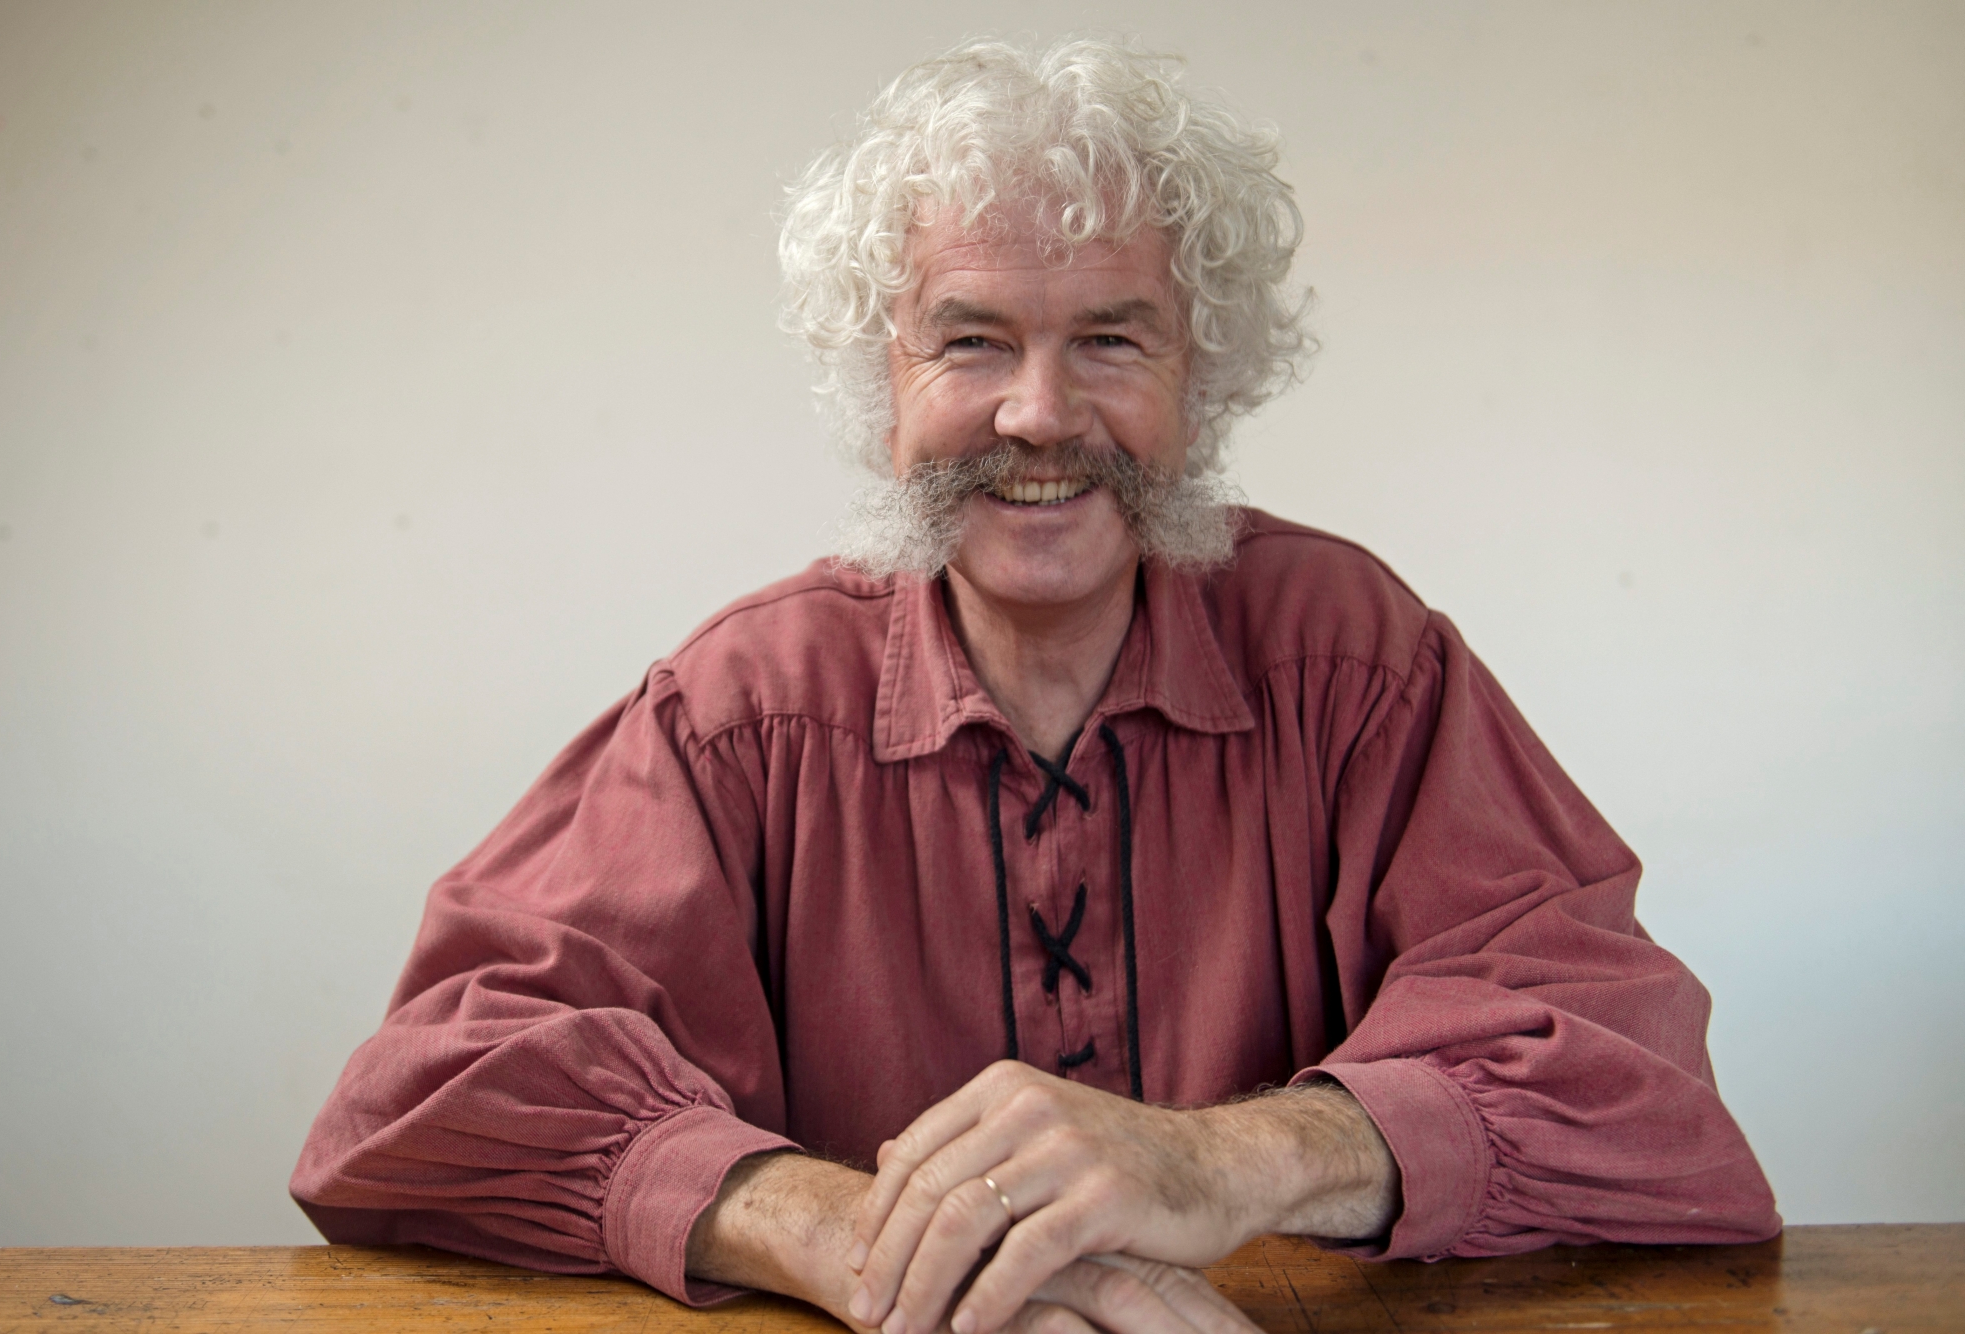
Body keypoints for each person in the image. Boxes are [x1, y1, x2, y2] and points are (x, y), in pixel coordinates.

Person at [291, 36, 1780, 1334]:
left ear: (1207, 375)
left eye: (1111, 339)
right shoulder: (738, 708)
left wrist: (1222, 1160)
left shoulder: (1360, 658)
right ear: (885, 378)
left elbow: (1631, 1073)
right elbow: (428, 1089)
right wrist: (855, 1233)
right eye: (973, 340)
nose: (1040, 413)